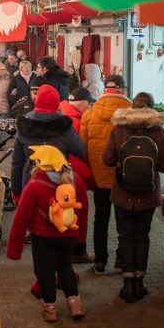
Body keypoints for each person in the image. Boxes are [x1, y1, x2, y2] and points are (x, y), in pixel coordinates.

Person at [103, 92, 164, 302]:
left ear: (132, 107)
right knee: (142, 236)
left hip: (122, 193)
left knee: (125, 236)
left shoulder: (119, 129)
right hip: (148, 194)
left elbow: (107, 159)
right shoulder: (158, 132)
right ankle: (140, 284)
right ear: (151, 108)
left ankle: (127, 285)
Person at [7, 145, 84, 322]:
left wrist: (14, 250)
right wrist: (79, 236)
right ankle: (75, 304)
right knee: (66, 267)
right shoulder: (75, 180)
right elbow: (83, 210)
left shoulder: (34, 185)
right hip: (67, 235)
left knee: (46, 271)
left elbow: (21, 218)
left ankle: (50, 309)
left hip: (42, 237)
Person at [80, 75, 132, 273]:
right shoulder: (132, 113)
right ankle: (121, 259)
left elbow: (82, 148)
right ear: (122, 90)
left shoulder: (89, 114)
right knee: (123, 220)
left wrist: (91, 172)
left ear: (105, 90)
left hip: (99, 177)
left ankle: (100, 261)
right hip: (123, 176)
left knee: (100, 218)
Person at [11, 85, 85, 202]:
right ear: (57, 104)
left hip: (31, 182)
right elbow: (80, 150)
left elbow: (17, 163)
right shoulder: (64, 127)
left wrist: (16, 191)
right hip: (59, 182)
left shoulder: (24, 126)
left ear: (37, 102)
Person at [59, 87, 97, 262]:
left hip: (64, 176)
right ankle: (76, 252)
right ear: (82, 102)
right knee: (78, 214)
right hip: (73, 177)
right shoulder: (73, 122)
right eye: (89, 103)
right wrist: (89, 177)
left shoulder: (65, 115)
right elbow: (74, 156)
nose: (90, 106)